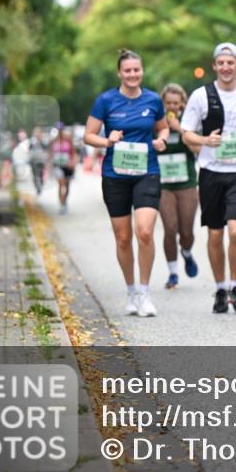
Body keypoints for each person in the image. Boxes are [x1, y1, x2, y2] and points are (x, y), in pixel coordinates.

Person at [181, 43, 236, 314]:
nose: (226, 67)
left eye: (231, 63)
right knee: (216, 233)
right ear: (215, 66)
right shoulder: (200, 96)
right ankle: (220, 288)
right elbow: (186, 133)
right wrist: (205, 139)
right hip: (211, 171)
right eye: (221, 63)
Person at [84, 49, 169, 318]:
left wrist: (162, 140)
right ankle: (131, 290)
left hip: (147, 171)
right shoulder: (106, 100)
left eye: (137, 70)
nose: (133, 74)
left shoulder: (153, 99)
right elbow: (88, 135)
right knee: (122, 238)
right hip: (115, 175)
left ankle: (144, 292)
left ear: (142, 71)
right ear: (120, 73)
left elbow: (163, 127)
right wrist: (107, 141)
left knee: (144, 231)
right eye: (128, 70)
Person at [157, 83, 199, 290]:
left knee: (186, 231)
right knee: (169, 228)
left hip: (187, 183)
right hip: (164, 185)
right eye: (168, 103)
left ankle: (187, 253)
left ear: (183, 104)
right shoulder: (156, 123)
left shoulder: (190, 123)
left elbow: (198, 149)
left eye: (176, 103)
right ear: (163, 104)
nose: (172, 107)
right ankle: (173, 272)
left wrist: (180, 129)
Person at [50, 125, 78, 214]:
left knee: (67, 186)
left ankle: (65, 201)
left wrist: (73, 162)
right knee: (61, 184)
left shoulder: (68, 140)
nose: (60, 131)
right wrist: (49, 164)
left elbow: (73, 153)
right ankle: (61, 205)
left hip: (67, 166)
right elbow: (50, 154)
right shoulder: (53, 141)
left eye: (61, 130)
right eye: (58, 130)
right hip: (58, 166)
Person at [30, 127, 49, 195]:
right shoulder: (32, 141)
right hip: (33, 159)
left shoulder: (43, 140)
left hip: (41, 160)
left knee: (40, 173)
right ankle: (37, 186)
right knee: (35, 174)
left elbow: (46, 149)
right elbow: (29, 149)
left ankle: (40, 185)